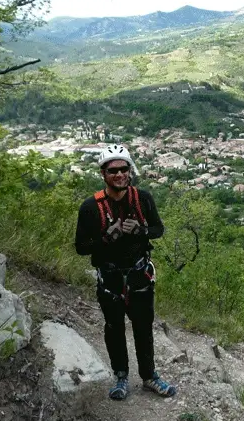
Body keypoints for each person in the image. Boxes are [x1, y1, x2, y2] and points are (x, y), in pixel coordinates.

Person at [75, 143, 177, 400]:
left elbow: (158, 230)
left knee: (143, 328)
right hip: (109, 277)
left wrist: (141, 229)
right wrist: (105, 239)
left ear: (130, 171)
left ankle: (149, 376)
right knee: (114, 327)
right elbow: (81, 247)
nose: (119, 175)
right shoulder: (90, 208)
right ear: (103, 174)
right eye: (113, 171)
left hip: (138, 275)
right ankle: (121, 376)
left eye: (124, 169)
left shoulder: (143, 199)